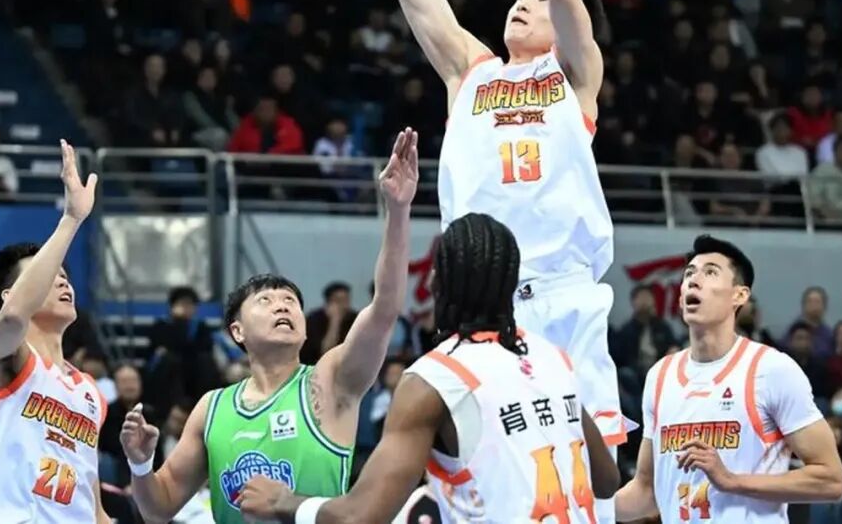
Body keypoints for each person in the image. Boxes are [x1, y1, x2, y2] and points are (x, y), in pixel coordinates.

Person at [370, 0, 624, 514]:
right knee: (491, 488)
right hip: (480, 306)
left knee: (592, 491)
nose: (526, 0)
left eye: (538, 2)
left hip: (563, 298)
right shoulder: (470, 72)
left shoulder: (575, 77)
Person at [234, 213, 620, 522]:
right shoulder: (552, 357)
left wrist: (283, 501)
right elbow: (606, 480)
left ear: (440, 283)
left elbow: (359, 516)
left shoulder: (437, 378)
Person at [120, 130, 420, 524]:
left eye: (291, 301)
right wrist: (141, 465)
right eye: (265, 300)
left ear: (304, 329)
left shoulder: (329, 382)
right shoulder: (212, 408)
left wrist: (398, 210)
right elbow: (158, 508)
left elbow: (384, 309)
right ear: (237, 331)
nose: (282, 305)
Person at [614, 235, 842, 522]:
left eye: (710, 272)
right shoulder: (660, 376)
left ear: (740, 296)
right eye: (689, 274)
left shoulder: (771, 369)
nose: (694, 280)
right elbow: (646, 492)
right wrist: (584, 505)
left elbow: (831, 481)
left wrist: (731, 481)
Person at [0, 140, 112, 524]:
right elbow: (12, 318)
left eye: (64, 275)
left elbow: (94, 507)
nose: (62, 281)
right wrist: (71, 219)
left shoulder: (90, 393)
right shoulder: (2, 353)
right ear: (11, 294)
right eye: (49, 274)